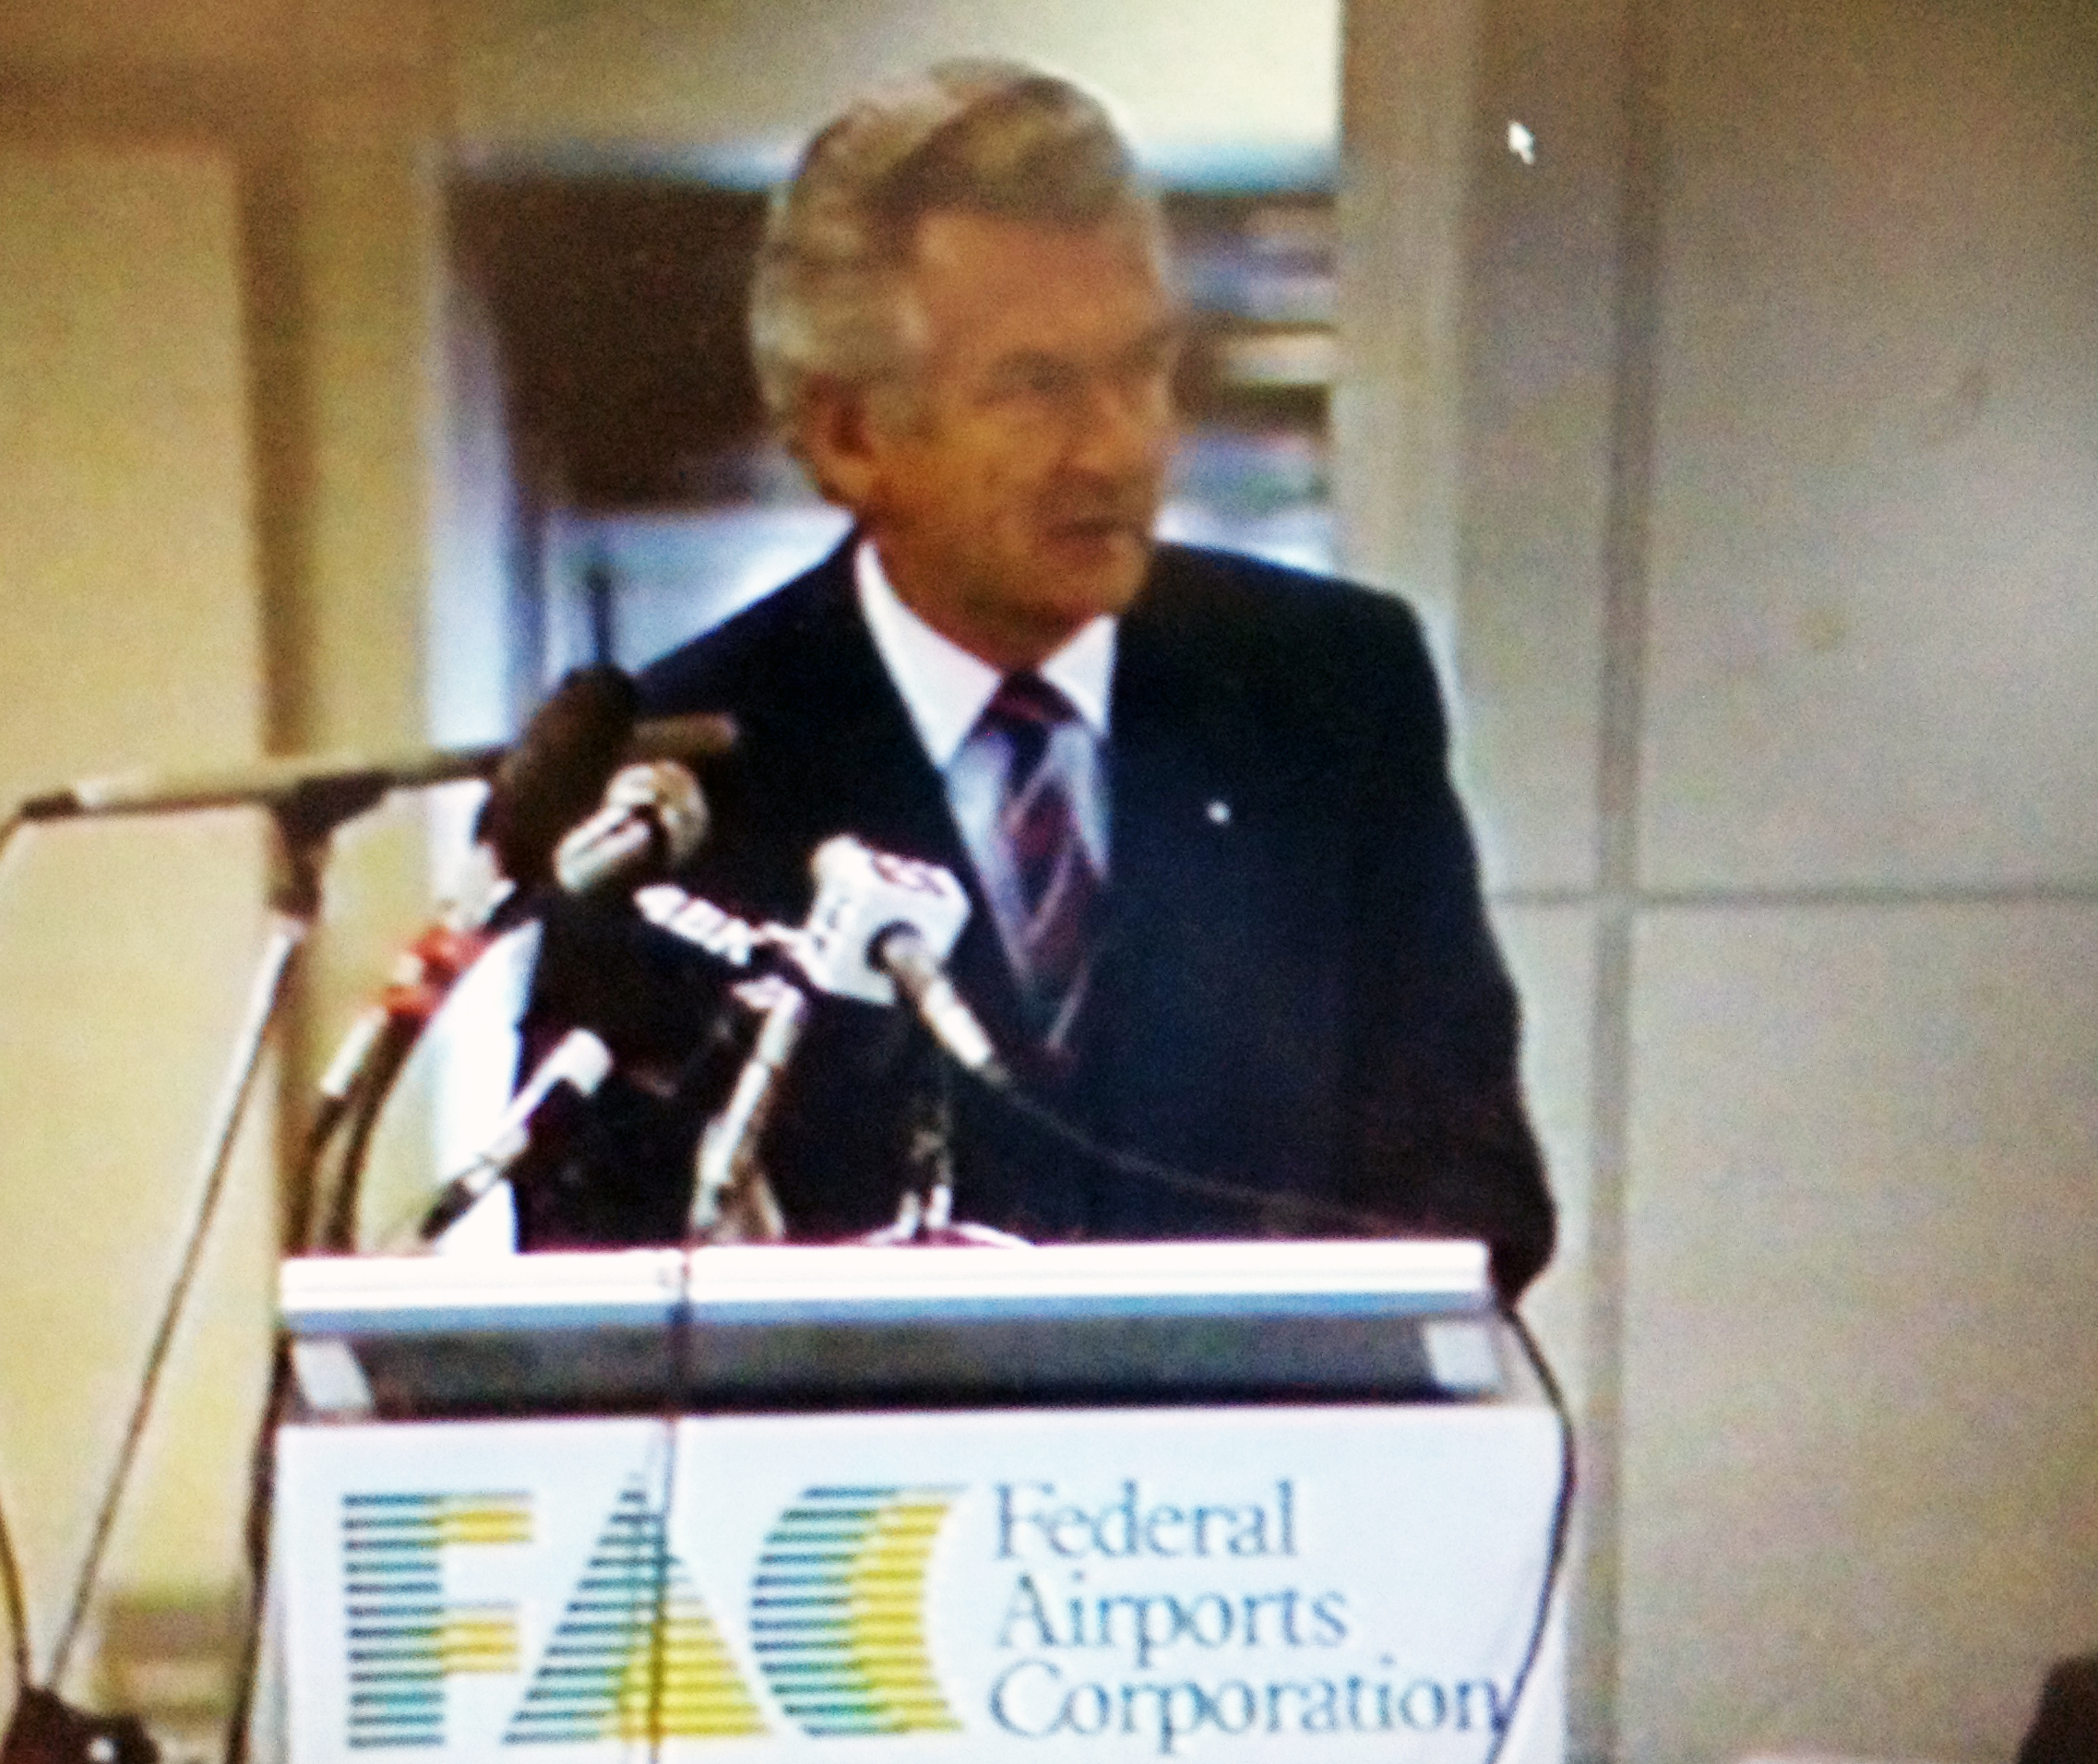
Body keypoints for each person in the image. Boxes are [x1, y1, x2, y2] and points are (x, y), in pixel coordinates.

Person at [514, 60, 1556, 1304]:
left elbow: (1476, 1187)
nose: (1117, 446)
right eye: (1037, 387)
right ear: (851, 436)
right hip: (862, 1496)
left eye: (1143, 371)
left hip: (1253, 1483)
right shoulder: (678, 773)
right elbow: (593, 1257)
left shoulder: (1333, 689)